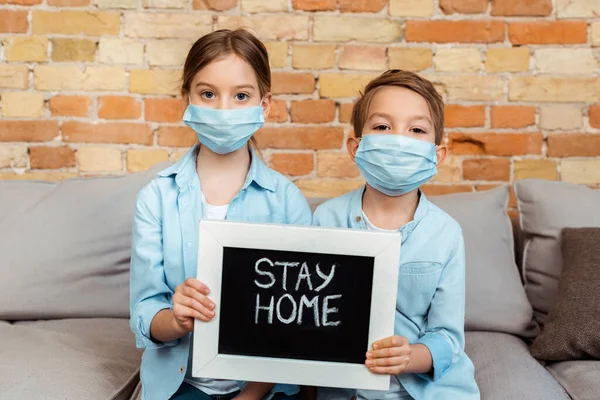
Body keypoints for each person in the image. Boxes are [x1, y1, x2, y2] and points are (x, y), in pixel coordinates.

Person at [129, 29, 311, 400]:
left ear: (265, 104)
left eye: (241, 96)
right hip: (182, 384)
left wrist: (252, 394)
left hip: (266, 388)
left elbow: (296, 326)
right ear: (187, 99)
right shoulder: (155, 198)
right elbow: (145, 311)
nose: (224, 110)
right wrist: (176, 319)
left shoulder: (288, 202)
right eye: (208, 94)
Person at [312, 70, 480, 399]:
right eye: (382, 126)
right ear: (355, 147)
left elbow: (448, 337)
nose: (398, 139)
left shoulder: (447, 233)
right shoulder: (326, 219)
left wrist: (410, 357)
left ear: (437, 155)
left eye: (416, 129)